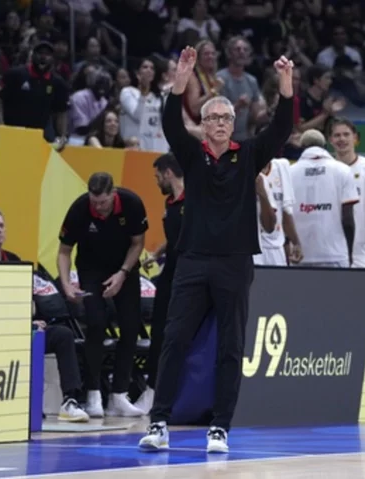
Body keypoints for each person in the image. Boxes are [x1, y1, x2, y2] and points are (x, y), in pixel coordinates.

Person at [138, 47, 294, 453]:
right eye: (213, 118)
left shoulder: (250, 155)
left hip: (235, 262)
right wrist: (182, 78)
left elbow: (281, 126)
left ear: (232, 122)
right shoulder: (191, 156)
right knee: (174, 340)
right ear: (203, 125)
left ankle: (220, 427)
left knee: (230, 346)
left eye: (226, 117)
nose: (221, 123)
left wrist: (285, 83)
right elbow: (171, 121)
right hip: (191, 260)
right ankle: (159, 423)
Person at [0, 208, 89, 422]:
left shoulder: (15, 261)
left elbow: (27, 300)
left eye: (1, 226)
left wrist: (34, 321)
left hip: (21, 330)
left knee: (62, 334)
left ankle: (71, 400)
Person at [57, 172, 148, 418]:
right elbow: (64, 251)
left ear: (113, 194)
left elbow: (137, 243)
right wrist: (66, 284)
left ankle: (119, 395)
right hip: (91, 268)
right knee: (96, 324)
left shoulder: (131, 203)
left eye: (103, 202)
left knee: (130, 327)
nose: (99, 207)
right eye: (94, 202)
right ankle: (93, 393)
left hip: (124, 266)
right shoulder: (79, 209)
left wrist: (122, 273)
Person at [135, 153, 185, 414]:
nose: (156, 182)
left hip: (189, 277)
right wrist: (157, 254)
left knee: (182, 335)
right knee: (158, 334)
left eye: (157, 177)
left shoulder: (195, 200)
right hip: (169, 273)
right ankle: (152, 391)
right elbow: (175, 236)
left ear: (168, 173)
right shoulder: (170, 202)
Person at [289, 129, 359, 268]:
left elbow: (285, 216)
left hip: (300, 255)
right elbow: (348, 219)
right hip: (335, 254)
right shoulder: (343, 170)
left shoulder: (290, 172)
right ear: (324, 145)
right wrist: (350, 253)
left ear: (302, 147)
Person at [329, 117, 365, 269]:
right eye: (337, 135)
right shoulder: (326, 170)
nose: (341, 139)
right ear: (330, 140)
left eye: (346, 134)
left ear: (355, 138)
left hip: (360, 255)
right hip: (329, 253)